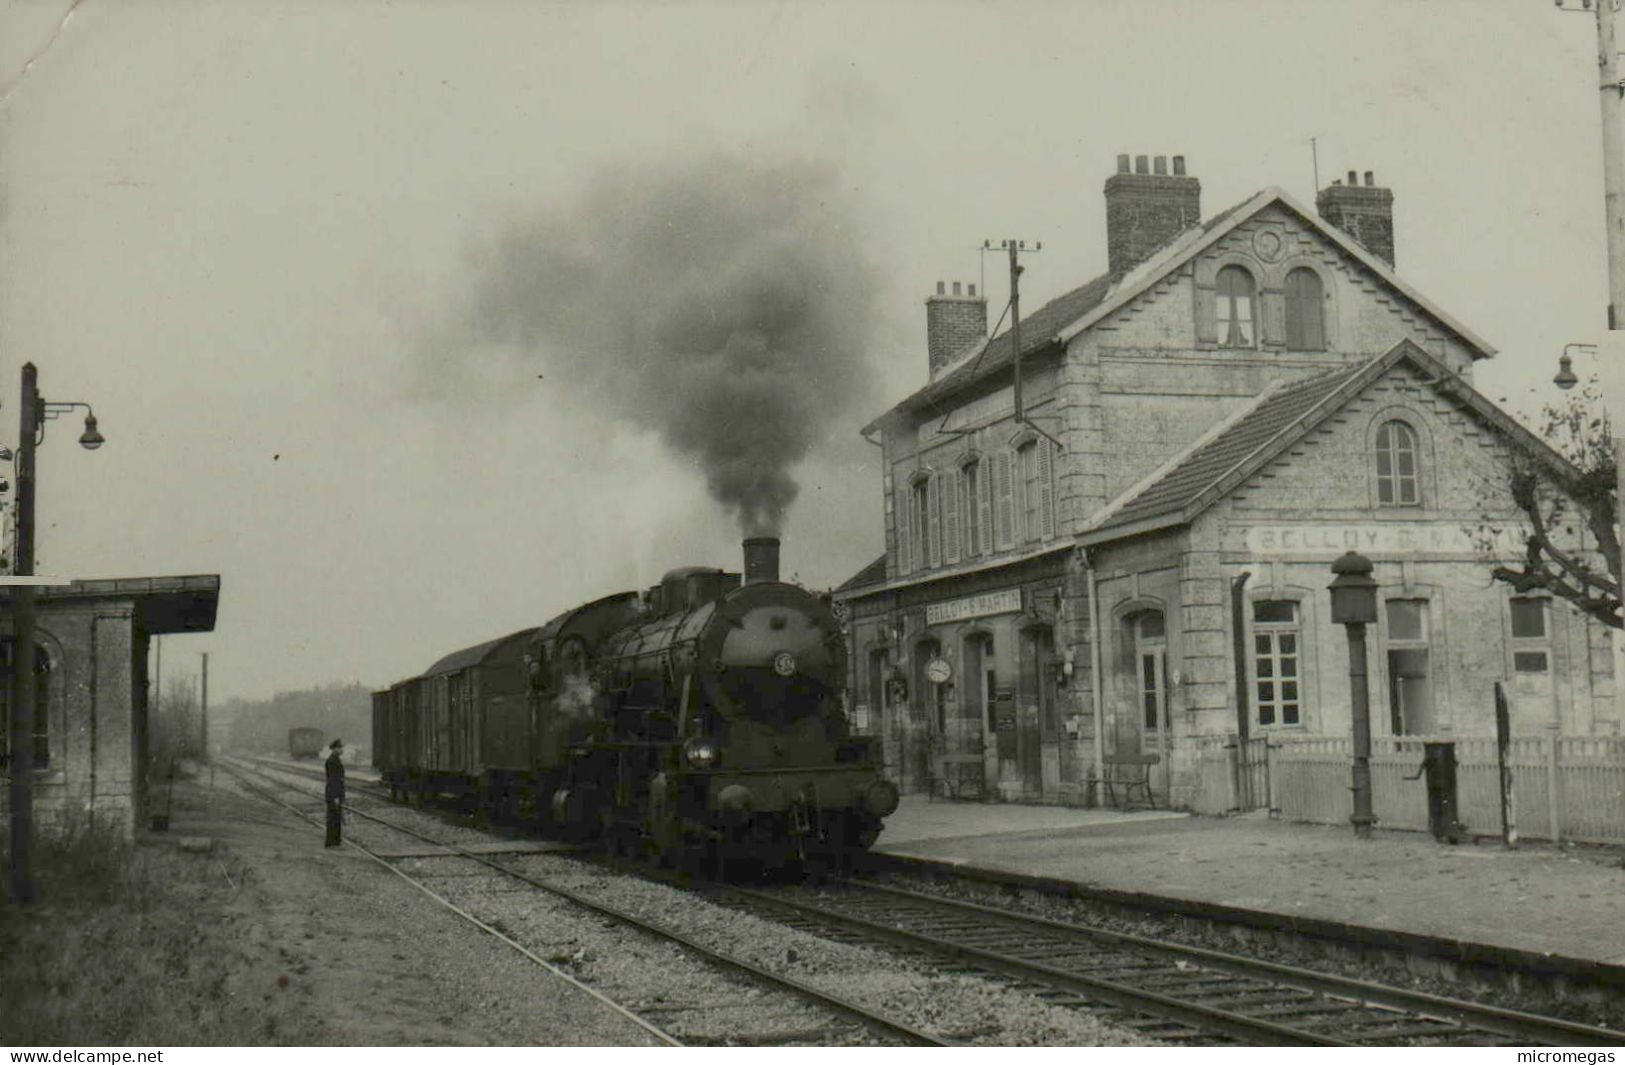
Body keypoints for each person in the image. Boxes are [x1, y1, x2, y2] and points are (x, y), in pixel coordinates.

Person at [324, 739, 346, 847]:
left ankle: (336, 842)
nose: (342, 750)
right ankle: (332, 842)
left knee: (336, 817)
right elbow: (333, 780)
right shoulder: (332, 761)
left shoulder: (335, 759)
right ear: (335, 749)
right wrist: (336, 796)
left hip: (335, 793)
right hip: (334, 793)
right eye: (340, 748)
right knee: (333, 818)